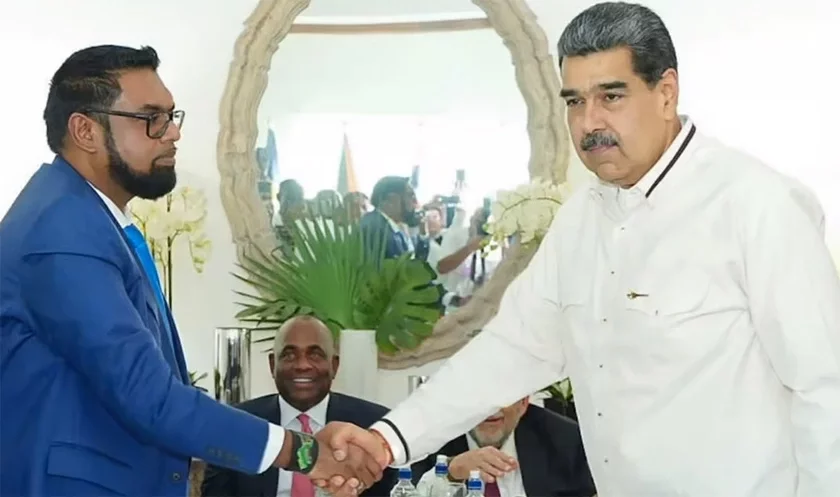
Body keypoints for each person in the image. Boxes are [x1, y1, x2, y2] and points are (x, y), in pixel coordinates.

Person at [322, 3, 840, 496]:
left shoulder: (756, 204)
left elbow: (826, 389)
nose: (589, 122)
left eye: (611, 96)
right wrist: (388, 440)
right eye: (574, 101)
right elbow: (509, 350)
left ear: (666, 93)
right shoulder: (579, 222)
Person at [0, 45, 382, 497]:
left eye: (171, 116)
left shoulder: (91, 219)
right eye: (151, 118)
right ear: (85, 130)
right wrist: (303, 452)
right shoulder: (62, 231)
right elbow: (148, 395)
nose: (173, 132)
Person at [203, 316, 398, 497]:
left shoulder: (375, 425)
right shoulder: (237, 425)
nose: (302, 365)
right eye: (289, 355)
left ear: (334, 366)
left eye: (315, 355)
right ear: (272, 365)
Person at [413, 398, 595, 497]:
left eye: (502, 397)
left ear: (523, 404)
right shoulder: (428, 438)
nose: (491, 411)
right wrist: (450, 472)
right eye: (480, 398)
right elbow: (407, 489)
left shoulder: (563, 439)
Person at [359, 176, 419, 259]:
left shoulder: (387, 227)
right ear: (392, 199)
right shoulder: (374, 230)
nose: (416, 202)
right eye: (410, 196)